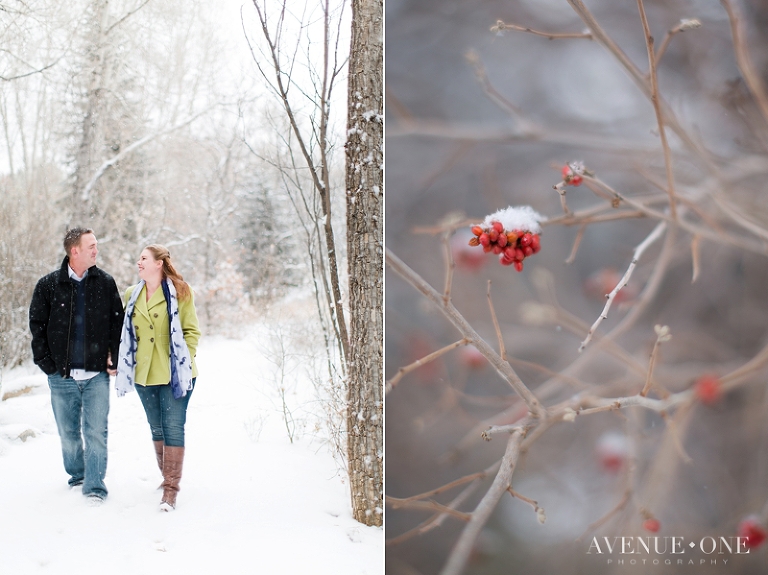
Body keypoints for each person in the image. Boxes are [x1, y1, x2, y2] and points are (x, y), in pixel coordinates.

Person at [29, 227, 124, 504]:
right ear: (75, 251)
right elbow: (37, 326)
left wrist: (114, 356)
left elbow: (116, 323)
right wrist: (47, 364)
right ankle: (77, 476)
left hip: (96, 375)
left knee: (96, 431)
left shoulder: (105, 283)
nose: (97, 250)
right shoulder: (48, 286)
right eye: (91, 245)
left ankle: (95, 486)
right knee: (69, 434)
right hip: (62, 376)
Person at [115, 244, 200, 511]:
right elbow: (123, 332)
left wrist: (184, 362)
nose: (138, 262)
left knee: (173, 426)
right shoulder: (132, 293)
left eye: (143, 258)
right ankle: (166, 478)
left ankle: (170, 490)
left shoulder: (181, 292)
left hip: (176, 373)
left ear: (158, 263)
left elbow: (191, 332)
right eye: (138, 258)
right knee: (156, 426)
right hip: (143, 373)